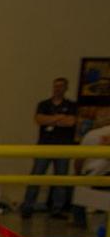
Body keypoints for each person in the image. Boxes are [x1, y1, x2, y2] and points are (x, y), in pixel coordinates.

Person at [20, 76, 78, 219]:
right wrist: (59, 118)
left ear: (66, 88)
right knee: (36, 177)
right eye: (56, 86)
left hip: (63, 147)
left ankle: (57, 209)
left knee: (61, 179)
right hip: (44, 145)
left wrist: (51, 119)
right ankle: (28, 206)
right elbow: (39, 119)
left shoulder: (71, 105)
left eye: (61, 86)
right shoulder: (44, 104)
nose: (58, 89)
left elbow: (71, 122)